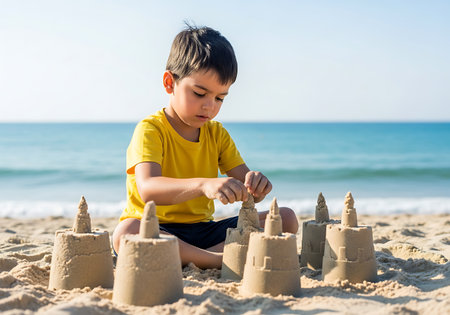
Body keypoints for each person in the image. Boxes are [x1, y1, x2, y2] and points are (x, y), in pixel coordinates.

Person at [112, 24, 298, 269]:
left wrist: (256, 185)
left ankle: (197, 257)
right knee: (126, 231)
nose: (210, 106)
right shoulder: (151, 129)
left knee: (285, 218)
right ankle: (217, 260)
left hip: (205, 231)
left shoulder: (217, 134)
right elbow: (148, 188)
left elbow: (247, 184)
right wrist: (204, 184)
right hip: (157, 227)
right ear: (170, 83)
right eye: (200, 93)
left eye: (220, 98)